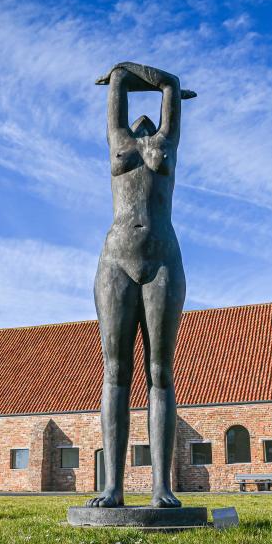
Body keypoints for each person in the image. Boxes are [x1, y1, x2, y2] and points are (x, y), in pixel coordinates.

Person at [87, 62, 195, 508]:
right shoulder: (119, 141)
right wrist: (120, 75)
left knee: (160, 372)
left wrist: (128, 71)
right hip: (116, 261)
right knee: (115, 370)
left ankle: (160, 487)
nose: (143, 121)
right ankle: (113, 486)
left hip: (162, 262)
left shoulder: (165, 143)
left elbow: (168, 84)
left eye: (151, 119)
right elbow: (117, 89)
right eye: (135, 118)